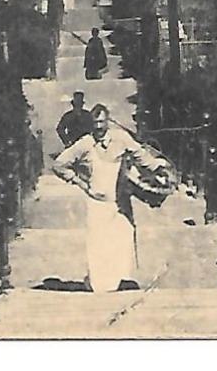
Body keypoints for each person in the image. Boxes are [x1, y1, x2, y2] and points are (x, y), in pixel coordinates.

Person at [52, 104, 171, 292]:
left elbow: (141, 155)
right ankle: (99, 284)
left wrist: (158, 167)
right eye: (95, 123)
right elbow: (59, 165)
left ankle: (119, 281)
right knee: (98, 244)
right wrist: (80, 182)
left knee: (123, 239)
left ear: (108, 121)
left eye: (102, 122)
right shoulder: (85, 143)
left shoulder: (121, 138)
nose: (98, 127)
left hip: (120, 203)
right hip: (97, 203)